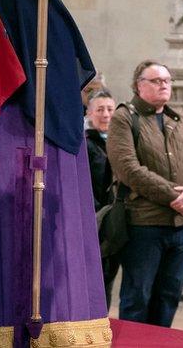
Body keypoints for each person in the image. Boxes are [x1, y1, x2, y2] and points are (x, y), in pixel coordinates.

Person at [107, 60, 183, 327]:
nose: (164, 84)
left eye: (167, 80)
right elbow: (129, 169)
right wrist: (175, 197)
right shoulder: (124, 117)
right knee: (137, 298)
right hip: (145, 226)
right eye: (156, 80)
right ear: (138, 85)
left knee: (169, 297)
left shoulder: (179, 119)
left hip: (181, 228)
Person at [84, 89, 120, 308]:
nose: (106, 115)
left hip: (117, 219)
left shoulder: (121, 143)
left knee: (109, 276)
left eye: (110, 109)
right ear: (89, 114)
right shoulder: (85, 145)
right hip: (94, 219)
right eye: (100, 109)